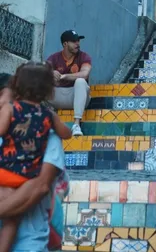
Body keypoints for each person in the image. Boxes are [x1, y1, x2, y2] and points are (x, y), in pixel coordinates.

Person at [0, 63, 71, 250]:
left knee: (12, 216)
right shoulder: (48, 116)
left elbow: (39, 186)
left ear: (16, 91)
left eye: (2, 96)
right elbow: (67, 132)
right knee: (11, 219)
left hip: (29, 242)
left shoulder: (50, 139)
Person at [47, 30, 92, 137]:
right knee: (40, 79)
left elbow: (85, 74)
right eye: (74, 41)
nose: (78, 43)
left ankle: (76, 124)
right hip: (58, 97)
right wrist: (51, 72)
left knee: (81, 81)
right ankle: (42, 120)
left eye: (78, 41)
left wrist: (65, 76)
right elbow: (43, 70)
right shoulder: (54, 57)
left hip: (77, 97)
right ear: (65, 44)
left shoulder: (84, 56)